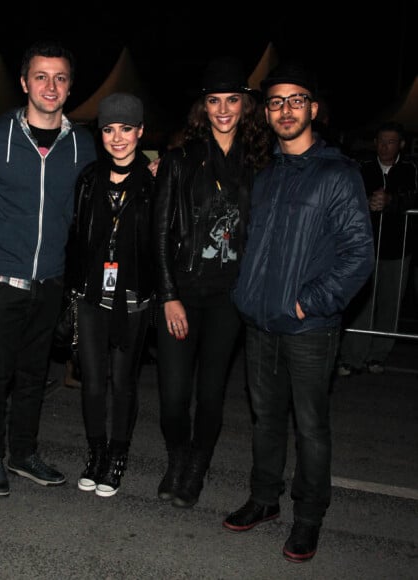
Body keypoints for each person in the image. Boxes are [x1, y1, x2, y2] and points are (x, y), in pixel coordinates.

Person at [222, 61, 375, 563]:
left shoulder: (338, 172)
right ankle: (264, 499)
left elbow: (359, 255)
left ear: (313, 108)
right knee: (266, 419)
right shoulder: (265, 176)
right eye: (276, 102)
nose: (285, 110)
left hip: (309, 327)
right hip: (260, 322)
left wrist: (310, 301)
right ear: (266, 113)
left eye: (295, 100)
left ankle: (308, 519)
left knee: (310, 427)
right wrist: (248, 292)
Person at [0, 39, 97, 497]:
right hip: (0, 278)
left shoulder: (82, 144)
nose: (51, 85)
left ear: (69, 88)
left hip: (50, 280)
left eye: (60, 78)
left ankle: (22, 453)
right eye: (41, 76)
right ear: (25, 82)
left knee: (32, 377)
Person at [153, 57, 271, 508]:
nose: (223, 108)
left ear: (245, 105)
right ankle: (177, 458)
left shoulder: (259, 162)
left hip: (229, 297)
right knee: (174, 395)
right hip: (181, 295)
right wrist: (168, 296)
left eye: (232, 100)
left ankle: (196, 468)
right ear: (204, 106)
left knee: (211, 392)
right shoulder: (179, 160)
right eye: (215, 100)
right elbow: (159, 233)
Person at [67, 92, 155, 497]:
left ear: (140, 132)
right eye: (108, 129)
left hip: (133, 298)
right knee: (92, 384)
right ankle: (97, 452)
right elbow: (75, 237)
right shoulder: (88, 179)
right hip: (91, 296)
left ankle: (118, 455)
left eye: (125, 128)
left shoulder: (154, 183)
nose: (117, 137)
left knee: (123, 383)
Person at [337, 121, 418, 376]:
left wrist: (393, 201)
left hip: (398, 248)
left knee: (389, 304)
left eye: (391, 142)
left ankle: (378, 354)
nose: (385, 147)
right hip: (365, 248)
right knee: (361, 303)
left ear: (401, 145)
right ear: (375, 143)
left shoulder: (410, 169)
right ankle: (352, 356)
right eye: (381, 141)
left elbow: (414, 196)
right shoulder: (362, 168)